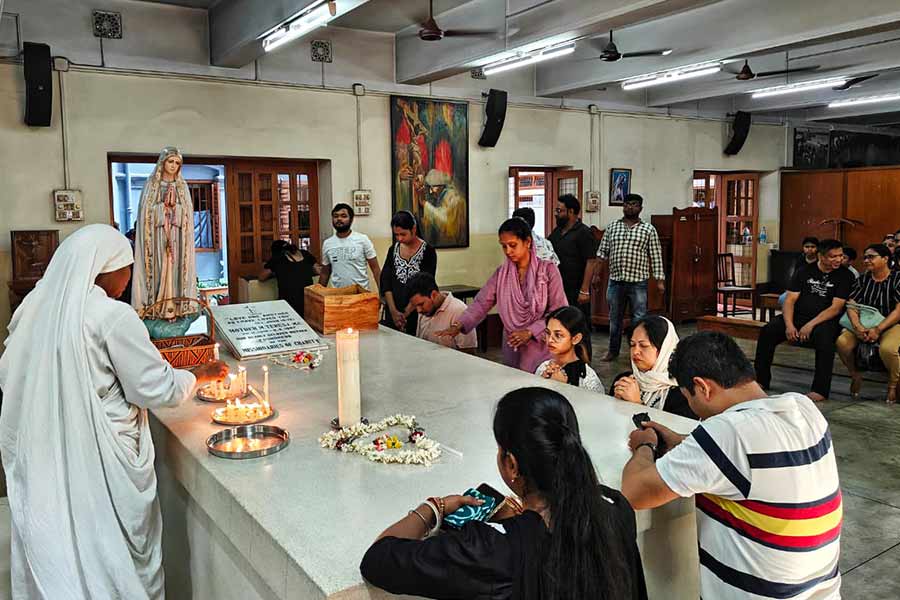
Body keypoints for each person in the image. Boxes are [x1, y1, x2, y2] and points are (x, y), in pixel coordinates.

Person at [0, 224, 228, 599]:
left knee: (62, 532)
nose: (128, 279)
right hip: (102, 453)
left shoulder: (35, 307)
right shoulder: (111, 317)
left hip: (47, 447)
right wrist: (198, 375)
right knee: (112, 547)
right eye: (126, 268)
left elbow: (12, 373)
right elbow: (154, 387)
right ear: (102, 268)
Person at [360, 387, 648, 600]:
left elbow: (377, 559)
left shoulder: (491, 548)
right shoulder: (614, 507)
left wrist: (434, 508)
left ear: (511, 464)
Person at [622, 332, 842, 600]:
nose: (693, 408)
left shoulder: (727, 433)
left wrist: (645, 445)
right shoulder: (803, 408)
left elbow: (634, 492)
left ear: (702, 387)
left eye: (689, 398)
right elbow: (751, 457)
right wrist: (684, 442)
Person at [437, 218, 567, 373]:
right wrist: (457, 326)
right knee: (514, 384)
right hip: (513, 343)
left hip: (541, 344)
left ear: (528, 242)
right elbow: (481, 302)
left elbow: (559, 311)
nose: (508, 251)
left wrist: (530, 331)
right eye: (503, 246)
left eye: (513, 245)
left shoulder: (548, 271)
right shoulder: (502, 274)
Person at [755, 238, 853, 402]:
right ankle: (761, 379)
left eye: (840, 256)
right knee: (768, 331)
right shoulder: (804, 271)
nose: (838, 260)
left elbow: (835, 308)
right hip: (799, 317)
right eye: (832, 256)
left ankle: (820, 390)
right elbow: (790, 300)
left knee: (825, 340)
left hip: (825, 320)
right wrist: (789, 325)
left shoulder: (845, 275)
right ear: (821, 256)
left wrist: (810, 325)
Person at [586, 193, 665, 362]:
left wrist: (659, 281)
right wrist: (596, 275)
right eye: (627, 204)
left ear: (640, 208)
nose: (630, 207)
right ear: (623, 206)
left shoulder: (648, 230)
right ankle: (612, 351)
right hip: (616, 282)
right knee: (615, 319)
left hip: (638, 283)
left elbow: (656, 256)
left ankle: (637, 353)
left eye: (634, 204)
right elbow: (601, 254)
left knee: (639, 319)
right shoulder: (613, 227)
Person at [131, 146, 198, 320]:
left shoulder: (182, 187)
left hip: (177, 238)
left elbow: (188, 216)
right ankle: (157, 307)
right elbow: (145, 215)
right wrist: (163, 208)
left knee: (176, 269)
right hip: (156, 239)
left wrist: (176, 209)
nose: (174, 165)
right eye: (170, 161)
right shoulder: (152, 185)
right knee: (159, 269)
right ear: (162, 162)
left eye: (177, 162)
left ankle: (176, 307)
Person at [835, 243, 900, 404]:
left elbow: (898, 311)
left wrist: (878, 329)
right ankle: (855, 375)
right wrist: (858, 327)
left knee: (888, 350)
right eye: (865, 257)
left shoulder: (897, 279)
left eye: (871, 257)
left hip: (890, 324)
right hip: (863, 323)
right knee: (842, 343)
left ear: (885, 259)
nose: (866, 260)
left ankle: (892, 386)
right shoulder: (863, 279)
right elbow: (851, 304)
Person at [611, 316, 697, 420]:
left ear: (665, 349)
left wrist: (637, 405)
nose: (635, 352)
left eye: (643, 346)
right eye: (632, 345)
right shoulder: (624, 380)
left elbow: (674, 433)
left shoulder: (683, 393)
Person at [380, 211, 437, 335]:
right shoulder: (393, 250)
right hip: (393, 310)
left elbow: (425, 285)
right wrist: (394, 311)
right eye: (396, 235)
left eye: (403, 234)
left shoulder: (428, 251)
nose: (400, 238)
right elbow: (386, 281)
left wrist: (405, 313)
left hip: (417, 312)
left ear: (414, 229)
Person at [535, 306, 604, 393]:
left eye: (558, 335)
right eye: (548, 333)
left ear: (576, 339)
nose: (550, 340)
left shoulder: (588, 379)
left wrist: (562, 388)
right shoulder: (543, 368)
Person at [547, 194, 595, 311]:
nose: (556, 214)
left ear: (571, 211)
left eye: (559, 211)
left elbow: (591, 261)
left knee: (577, 321)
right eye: (556, 210)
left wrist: (584, 290)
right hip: (558, 286)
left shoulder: (584, 232)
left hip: (576, 287)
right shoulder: (557, 232)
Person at [406, 272, 477, 352]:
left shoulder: (459, 311)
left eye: (421, 304)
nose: (418, 310)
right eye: (416, 306)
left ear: (434, 295)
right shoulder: (426, 310)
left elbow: (469, 353)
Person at [319, 203, 381, 291]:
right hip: (338, 297)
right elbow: (325, 273)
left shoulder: (362, 240)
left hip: (362, 295)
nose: (339, 219)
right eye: (336, 216)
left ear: (351, 220)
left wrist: (382, 293)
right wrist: (318, 294)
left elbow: (376, 270)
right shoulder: (328, 243)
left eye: (343, 216)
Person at [258, 240, 317, 317]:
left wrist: (275, 272)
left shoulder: (278, 258)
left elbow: (261, 277)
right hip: (308, 300)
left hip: (288, 302)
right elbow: (318, 270)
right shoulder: (305, 254)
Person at [417, 169, 467, 247]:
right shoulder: (445, 196)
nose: (431, 191)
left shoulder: (453, 198)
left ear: (441, 186)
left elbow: (445, 221)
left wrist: (425, 204)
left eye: (432, 187)